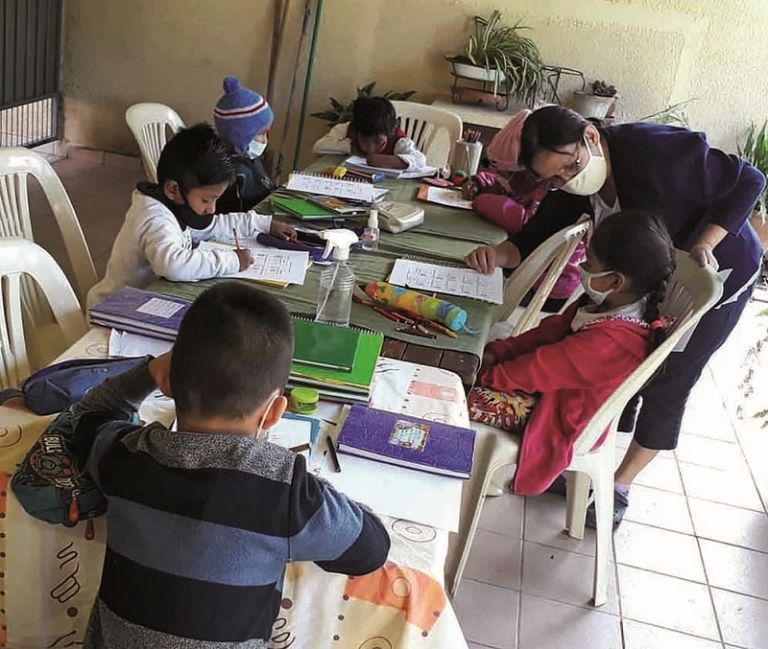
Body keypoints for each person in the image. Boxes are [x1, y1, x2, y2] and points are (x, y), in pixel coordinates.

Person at [466, 105, 765, 526]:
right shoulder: (570, 184)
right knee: (619, 367)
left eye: (569, 167)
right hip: (646, 281)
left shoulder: (654, 151)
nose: (565, 180)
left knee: (669, 380)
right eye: (553, 178)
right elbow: (534, 235)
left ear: (590, 137)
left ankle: (620, 485)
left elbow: (750, 179)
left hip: (717, 269)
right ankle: (586, 447)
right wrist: (496, 255)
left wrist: (706, 243)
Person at [78, 282, 391, 648]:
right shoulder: (285, 491)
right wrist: (306, 486)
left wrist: (146, 372)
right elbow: (371, 548)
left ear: (170, 383)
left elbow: (89, 415)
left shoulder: (126, 456)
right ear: (274, 412)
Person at [468, 210, 675, 495]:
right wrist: (497, 353)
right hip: (552, 393)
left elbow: (537, 369)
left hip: (560, 418)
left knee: (457, 395)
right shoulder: (604, 304)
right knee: (471, 360)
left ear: (616, 282)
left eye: (589, 263)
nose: (581, 267)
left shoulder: (611, 342)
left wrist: (481, 375)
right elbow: (546, 335)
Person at [87, 123, 295, 309]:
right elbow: (172, 265)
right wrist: (232, 261)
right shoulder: (154, 217)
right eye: (206, 200)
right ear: (173, 189)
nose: (212, 209)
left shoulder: (180, 203)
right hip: (114, 311)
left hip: (149, 302)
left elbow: (214, 225)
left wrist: (263, 223)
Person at [462, 110, 580, 306]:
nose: (506, 178)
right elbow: (500, 185)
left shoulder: (549, 192)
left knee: (477, 299)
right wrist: (478, 182)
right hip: (523, 262)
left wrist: (482, 199)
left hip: (545, 287)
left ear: (532, 171)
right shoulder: (522, 182)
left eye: (510, 173)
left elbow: (523, 224)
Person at [214, 75, 276, 213]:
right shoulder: (229, 175)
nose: (265, 140)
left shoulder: (250, 158)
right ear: (239, 136)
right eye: (261, 133)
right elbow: (236, 214)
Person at [312, 96, 427, 170]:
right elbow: (318, 147)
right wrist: (349, 147)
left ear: (389, 132)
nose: (370, 148)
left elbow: (421, 160)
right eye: (365, 140)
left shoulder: (398, 140)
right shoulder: (346, 129)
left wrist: (393, 161)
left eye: (377, 141)